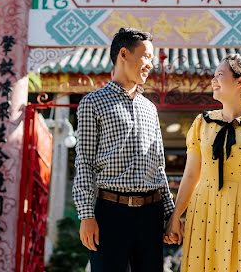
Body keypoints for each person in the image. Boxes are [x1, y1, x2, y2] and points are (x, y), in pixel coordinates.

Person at [165, 53, 241, 272]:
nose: (213, 80)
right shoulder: (203, 123)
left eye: (219, 75)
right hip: (205, 209)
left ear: (239, 80)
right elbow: (191, 176)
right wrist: (175, 217)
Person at [72, 28, 174, 272]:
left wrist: (171, 215)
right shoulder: (92, 103)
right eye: (146, 56)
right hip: (110, 213)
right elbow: (84, 162)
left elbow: (159, 166)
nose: (150, 64)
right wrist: (87, 215)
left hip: (151, 213)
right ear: (124, 54)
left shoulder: (150, 109)